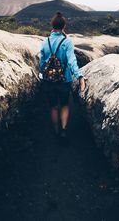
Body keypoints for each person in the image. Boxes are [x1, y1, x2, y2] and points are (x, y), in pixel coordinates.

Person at [39, 12, 86, 140]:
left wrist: (43, 74)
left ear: (52, 25)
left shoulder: (45, 42)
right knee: (65, 105)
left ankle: (55, 130)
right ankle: (63, 131)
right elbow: (71, 61)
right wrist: (79, 76)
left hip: (49, 81)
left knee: (53, 106)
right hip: (64, 81)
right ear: (64, 26)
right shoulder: (67, 42)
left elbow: (42, 63)